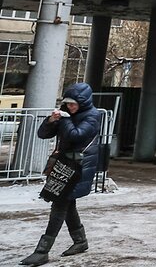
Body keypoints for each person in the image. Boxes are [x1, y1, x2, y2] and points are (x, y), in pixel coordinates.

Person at [20, 82, 103, 266]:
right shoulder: (67, 114)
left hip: (78, 166)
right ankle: (80, 241)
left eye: (73, 104)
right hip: (64, 164)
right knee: (67, 203)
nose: (70, 107)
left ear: (83, 102)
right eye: (68, 103)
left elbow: (76, 135)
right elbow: (43, 134)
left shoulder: (92, 115)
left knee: (59, 205)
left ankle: (42, 251)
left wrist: (64, 119)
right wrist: (51, 121)